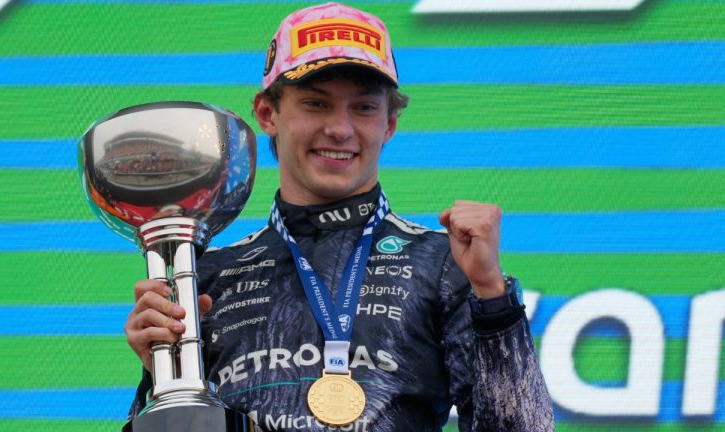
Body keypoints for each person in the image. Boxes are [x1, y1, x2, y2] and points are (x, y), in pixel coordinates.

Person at [124, 2, 554, 431]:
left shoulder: (445, 264)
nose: (340, 129)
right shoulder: (209, 277)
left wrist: (493, 298)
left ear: (390, 124)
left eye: (364, 107)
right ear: (267, 114)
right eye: (316, 103)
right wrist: (160, 375)